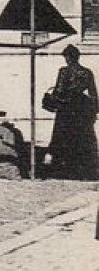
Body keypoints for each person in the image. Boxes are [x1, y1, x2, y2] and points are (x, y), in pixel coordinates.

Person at [45, 45, 98, 179]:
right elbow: (93, 93)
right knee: (82, 139)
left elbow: (59, 90)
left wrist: (50, 97)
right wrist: (94, 111)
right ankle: (83, 170)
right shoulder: (87, 72)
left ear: (68, 58)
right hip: (82, 109)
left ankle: (63, 170)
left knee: (62, 138)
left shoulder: (64, 71)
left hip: (66, 109)